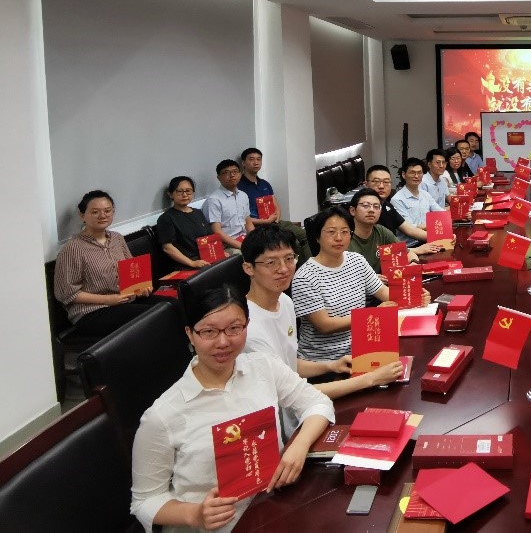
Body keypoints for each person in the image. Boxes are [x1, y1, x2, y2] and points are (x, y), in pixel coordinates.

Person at [130, 283, 334, 533]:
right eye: (209, 332)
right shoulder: (162, 415)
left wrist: (299, 445)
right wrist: (195, 514)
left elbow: (318, 403)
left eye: (235, 328)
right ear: (190, 334)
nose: (223, 341)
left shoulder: (264, 367)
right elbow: (144, 501)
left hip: (272, 509)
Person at [241, 226, 403, 400]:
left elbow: (288, 364)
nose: (284, 269)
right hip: (285, 409)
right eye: (271, 262)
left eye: (289, 258)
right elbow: (287, 394)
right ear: (248, 268)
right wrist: (371, 379)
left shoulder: (284, 301)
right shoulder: (247, 327)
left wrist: (332, 366)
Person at [293, 206, 430, 362]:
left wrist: (414, 296)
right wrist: (373, 314)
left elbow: (383, 292)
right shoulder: (305, 277)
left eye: (345, 232)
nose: (339, 238)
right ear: (317, 237)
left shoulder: (356, 261)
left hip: (363, 348)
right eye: (331, 232)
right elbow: (325, 325)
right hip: (326, 361)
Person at [54, 190, 157, 336]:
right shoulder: (73, 248)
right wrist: (107, 299)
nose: (102, 215)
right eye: (95, 212)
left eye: (107, 211)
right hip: (92, 312)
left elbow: (132, 271)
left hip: (124, 301)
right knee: (154, 317)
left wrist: (142, 287)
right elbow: (66, 293)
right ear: (82, 215)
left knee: (171, 305)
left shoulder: (117, 238)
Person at [238, 147, 311, 262]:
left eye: (259, 159)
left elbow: (276, 207)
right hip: (258, 227)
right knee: (292, 242)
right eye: (251, 159)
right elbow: (242, 218)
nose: (256, 162)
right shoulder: (239, 187)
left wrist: (275, 221)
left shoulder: (265, 184)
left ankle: (309, 268)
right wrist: (265, 222)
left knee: (306, 235)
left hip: (275, 223)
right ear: (243, 163)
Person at [365, 165, 439, 250]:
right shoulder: (364, 210)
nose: (381, 186)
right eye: (376, 181)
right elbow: (376, 250)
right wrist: (416, 250)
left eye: (386, 182)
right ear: (366, 184)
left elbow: (409, 229)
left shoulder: (387, 207)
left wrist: (441, 237)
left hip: (395, 251)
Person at [347, 188, 420, 272]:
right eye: (366, 205)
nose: (371, 210)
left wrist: (413, 262)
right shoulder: (344, 237)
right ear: (352, 210)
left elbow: (408, 253)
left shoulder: (381, 231)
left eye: (376, 206)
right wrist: (371, 277)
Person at [155, 177, 212, 271]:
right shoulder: (166, 218)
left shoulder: (198, 213)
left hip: (206, 258)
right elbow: (167, 247)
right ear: (170, 194)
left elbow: (209, 237)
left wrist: (219, 253)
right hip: (186, 264)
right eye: (179, 191)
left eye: (188, 191)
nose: (185, 195)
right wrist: (192, 263)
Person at [202, 159, 254, 253]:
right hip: (227, 245)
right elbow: (216, 231)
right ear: (218, 177)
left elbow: (248, 222)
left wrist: (256, 240)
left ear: (240, 174)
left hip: (245, 239)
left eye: (235, 171)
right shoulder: (214, 200)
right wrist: (242, 246)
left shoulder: (243, 195)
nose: (232, 175)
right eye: (226, 172)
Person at [390, 158, 442, 243]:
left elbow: (440, 212)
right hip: (411, 245)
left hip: (429, 239)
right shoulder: (397, 199)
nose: (416, 176)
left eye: (419, 173)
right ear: (404, 175)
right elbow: (409, 228)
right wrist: (432, 226)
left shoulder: (425, 195)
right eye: (412, 172)